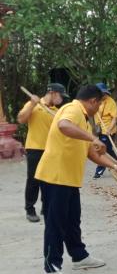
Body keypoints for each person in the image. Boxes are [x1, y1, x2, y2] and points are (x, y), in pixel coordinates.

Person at [35, 85, 117, 274]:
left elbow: (92, 153)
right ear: (93, 101)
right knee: (56, 223)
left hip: (69, 179)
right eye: (101, 103)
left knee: (72, 220)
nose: (100, 108)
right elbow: (63, 125)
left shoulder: (85, 123)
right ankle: (52, 267)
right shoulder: (73, 109)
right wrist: (94, 137)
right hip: (55, 176)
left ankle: (79, 256)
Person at [17, 83, 69, 222]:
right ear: (52, 93)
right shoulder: (34, 105)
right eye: (60, 96)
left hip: (51, 149)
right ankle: (30, 209)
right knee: (33, 180)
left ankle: (46, 207)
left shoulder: (56, 112)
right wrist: (32, 104)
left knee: (49, 180)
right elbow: (21, 119)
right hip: (34, 148)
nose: (62, 100)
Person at [93, 82, 117, 178]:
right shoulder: (95, 101)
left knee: (103, 150)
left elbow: (114, 118)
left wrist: (109, 129)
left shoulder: (110, 102)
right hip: (100, 130)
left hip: (108, 130)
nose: (102, 95)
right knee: (108, 150)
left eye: (103, 93)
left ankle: (99, 170)